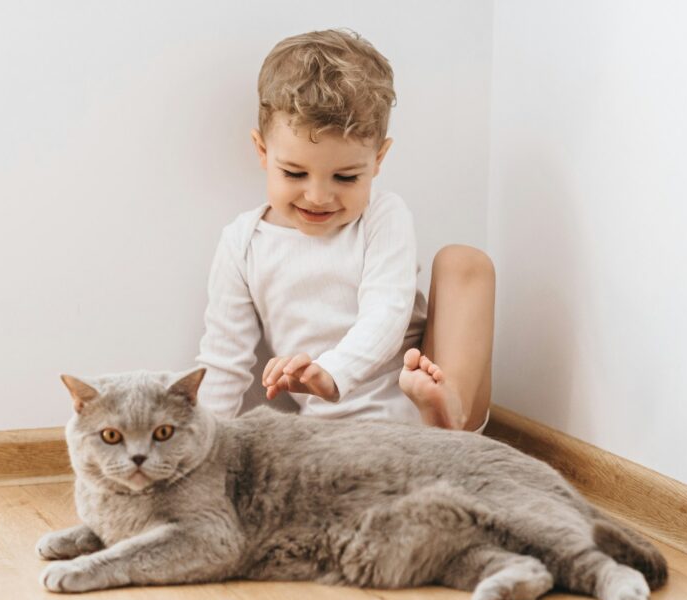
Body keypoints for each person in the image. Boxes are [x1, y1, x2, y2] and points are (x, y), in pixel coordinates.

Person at [195, 28, 495, 432]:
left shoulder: (383, 216)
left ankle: (449, 413)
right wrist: (203, 444)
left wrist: (333, 373)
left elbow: (385, 315)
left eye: (346, 177)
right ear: (263, 152)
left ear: (378, 159)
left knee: (464, 262)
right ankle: (420, 442)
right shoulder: (243, 243)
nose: (318, 196)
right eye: (295, 172)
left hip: (414, 401)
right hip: (330, 427)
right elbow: (224, 360)